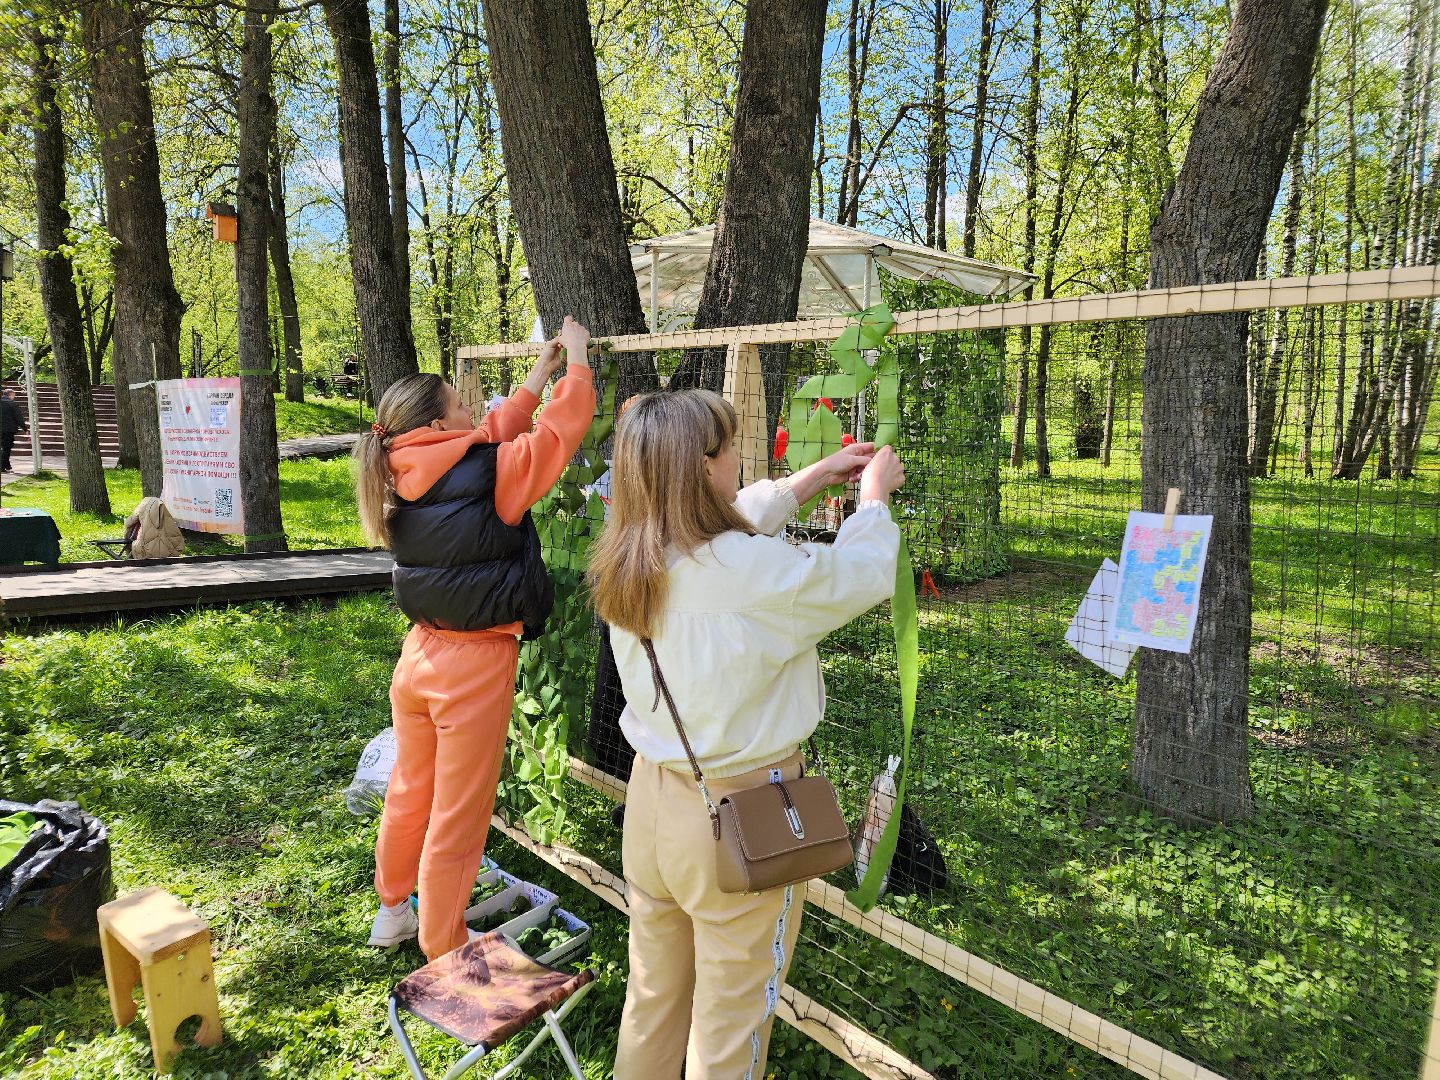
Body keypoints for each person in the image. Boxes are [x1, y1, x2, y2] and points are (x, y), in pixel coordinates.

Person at [588, 390, 905, 1080]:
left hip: (653, 804)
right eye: (729, 448)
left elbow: (725, 533)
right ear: (702, 469)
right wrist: (873, 500)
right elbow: (861, 572)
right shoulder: (750, 575)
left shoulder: (629, 554)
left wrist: (811, 479)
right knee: (731, 1024)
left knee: (653, 997)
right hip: (741, 815)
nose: (739, 459)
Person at [354, 316, 596, 961]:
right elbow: (554, 436)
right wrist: (576, 366)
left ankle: (392, 911)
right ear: (439, 424)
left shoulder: (404, 469)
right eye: (462, 404)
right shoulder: (493, 474)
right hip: (476, 662)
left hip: (420, 657)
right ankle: (445, 950)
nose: (476, 410)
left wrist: (537, 375)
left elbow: (490, 438)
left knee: (411, 792)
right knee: (459, 818)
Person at [1, 389, 25, 473]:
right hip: (8, 430)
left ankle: (7, 465)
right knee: (6, 448)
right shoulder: (13, 404)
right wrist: (25, 428)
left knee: (4, 448)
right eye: (13, 396)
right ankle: (2, 466)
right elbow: (19, 418)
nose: (13, 398)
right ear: (10, 395)